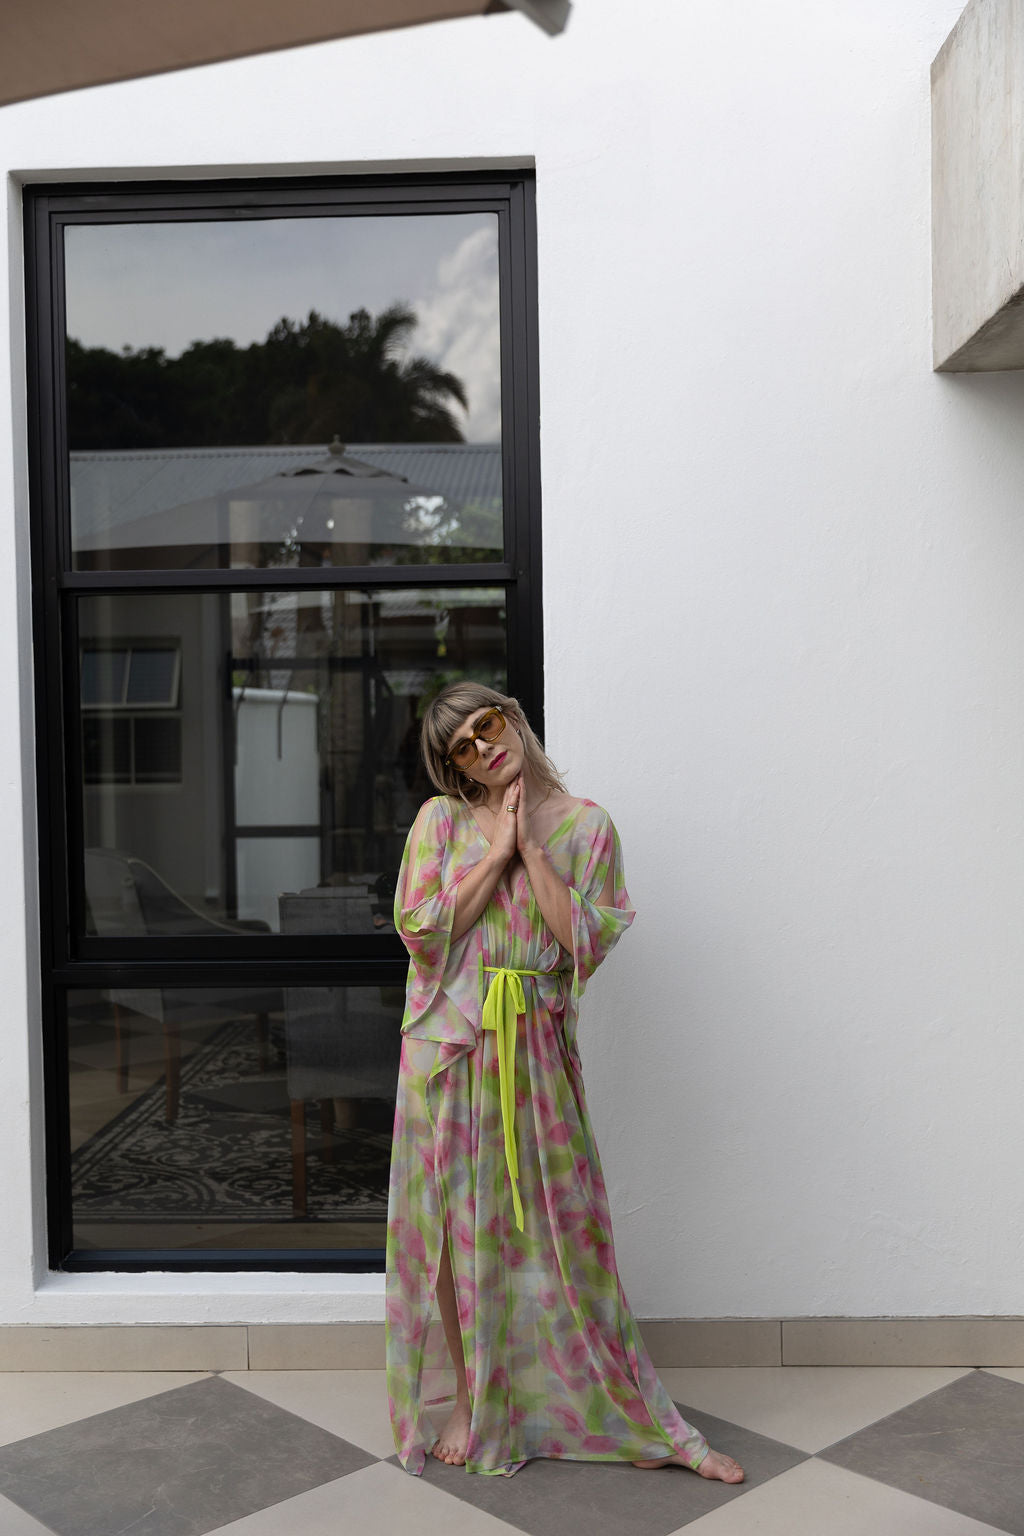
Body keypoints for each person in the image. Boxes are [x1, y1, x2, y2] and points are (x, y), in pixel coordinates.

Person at [385, 681, 744, 1484]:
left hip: (535, 1047)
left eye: (487, 726)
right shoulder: (441, 821)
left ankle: (613, 1404)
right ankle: (471, 1398)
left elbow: (582, 940)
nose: (483, 749)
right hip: (448, 1049)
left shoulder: (588, 828)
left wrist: (532, 851)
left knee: (567, 1227)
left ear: (512, 716)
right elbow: (422, 930)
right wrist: (496, 854)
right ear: (454, 768)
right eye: (462, 749)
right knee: (452, 1227)